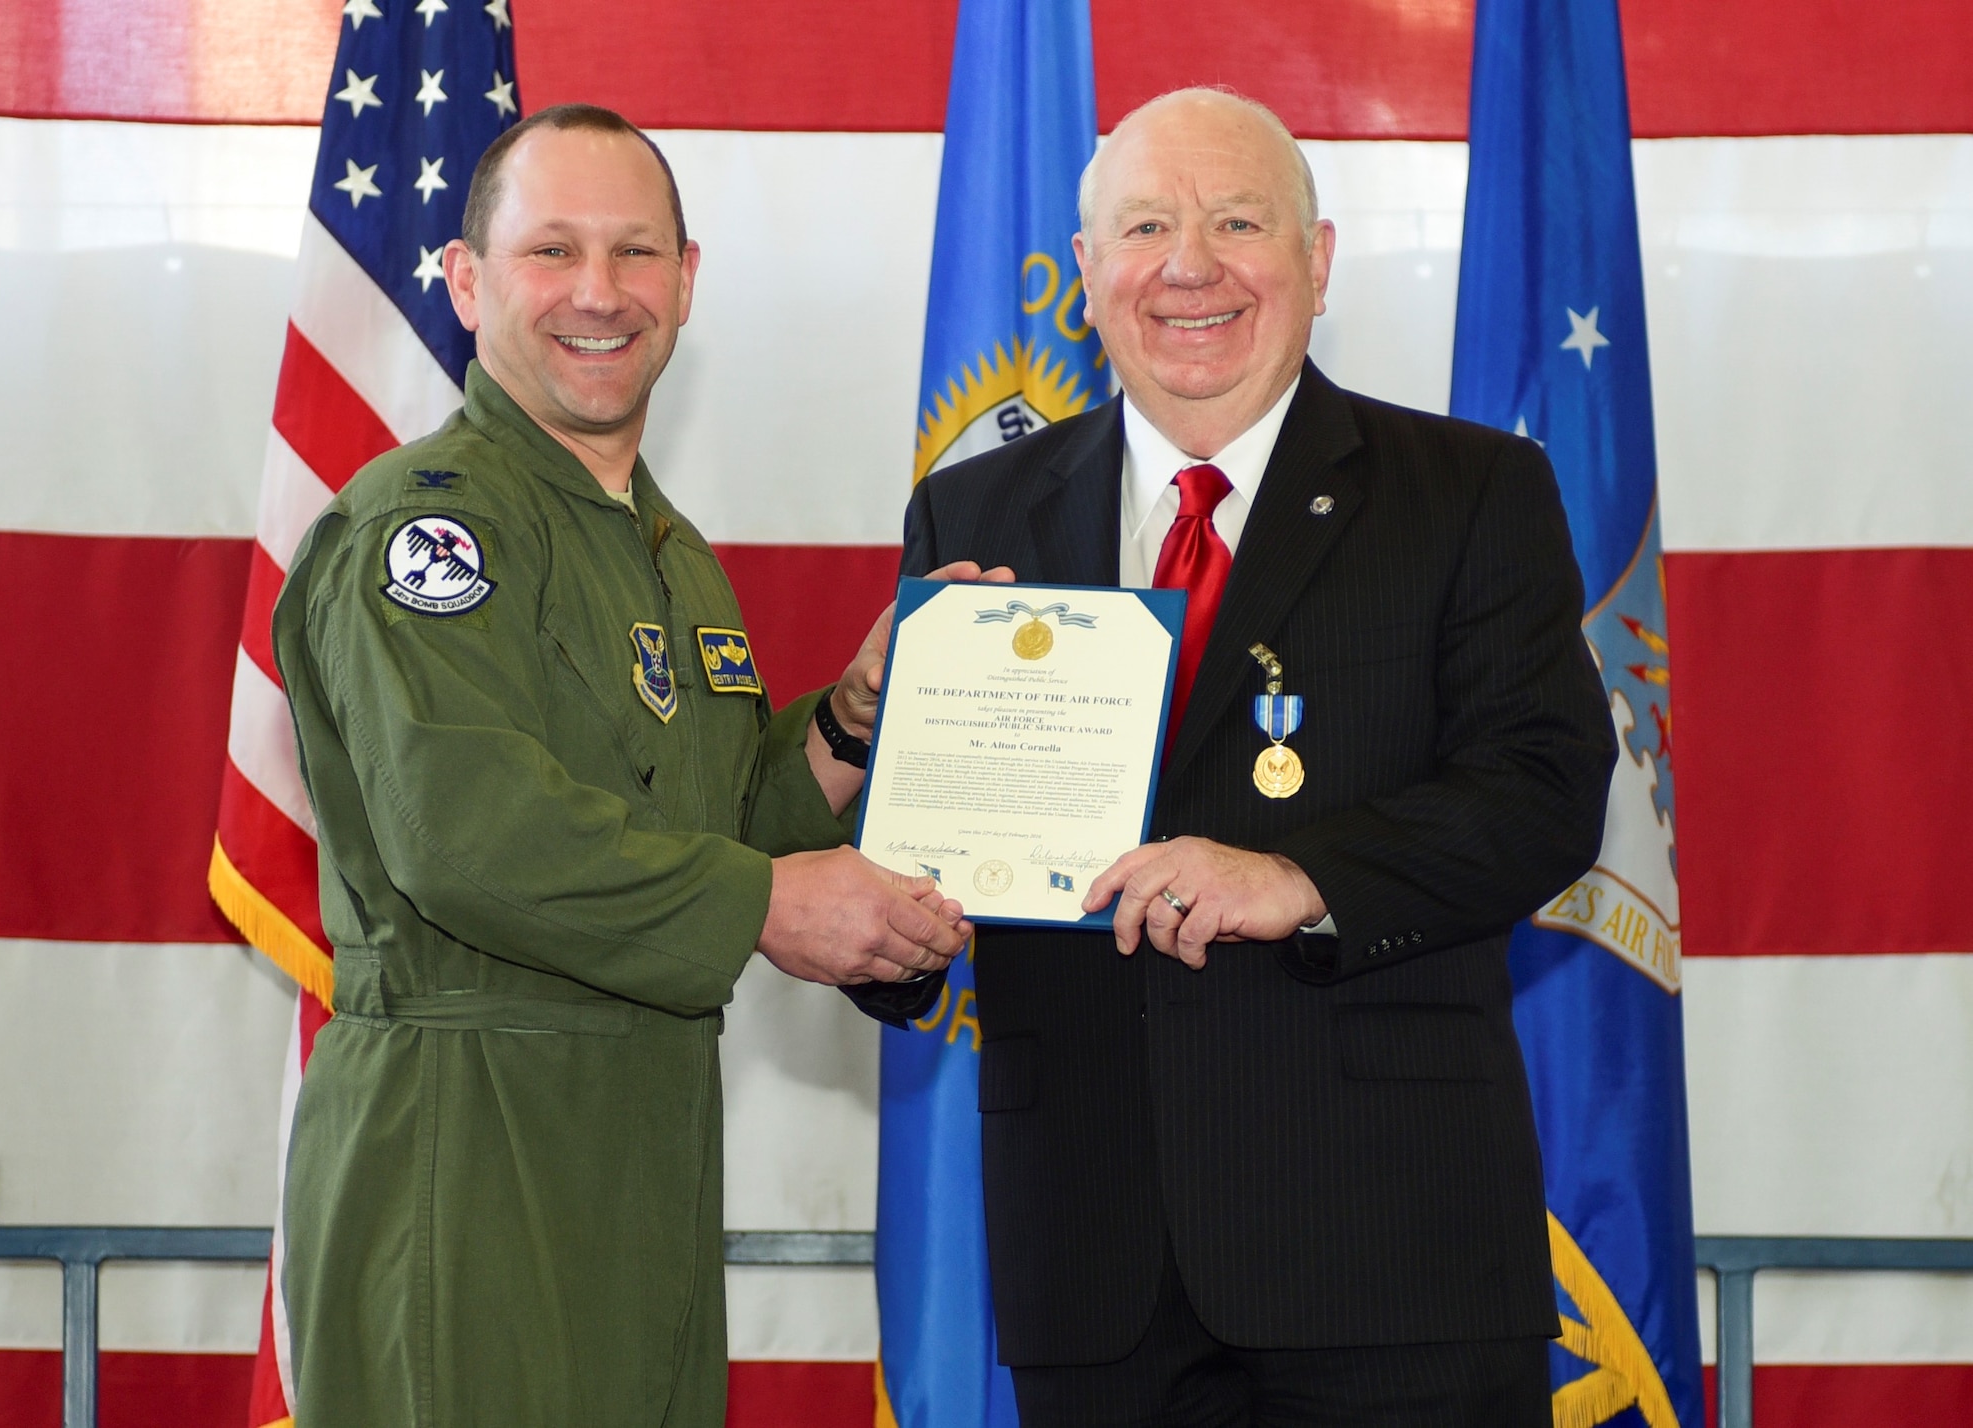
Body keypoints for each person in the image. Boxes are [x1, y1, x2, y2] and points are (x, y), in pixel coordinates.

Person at [856, 88, 1618, 1425]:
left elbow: (1545, 793)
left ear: (1316, 263)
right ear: (1086, 275)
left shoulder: (1470, 492)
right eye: (1145, 226)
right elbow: (926, 854)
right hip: (1095, 1273)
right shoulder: (973, 511)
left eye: (1238, 221)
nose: (1189, 264)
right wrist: (893, 918)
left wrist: (1299, 879)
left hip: (1393, 1268)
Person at [272, 105, 982, 1428]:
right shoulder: (429, 534)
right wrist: (769, 908)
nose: (599, 294)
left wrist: (849, 721)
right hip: (469, 1157)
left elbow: (705, 819)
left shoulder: (667, 549)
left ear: (687, 281)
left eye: (635, 253)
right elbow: (468, 835)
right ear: (468, 281)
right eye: (553, 252)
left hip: (645, 1157)